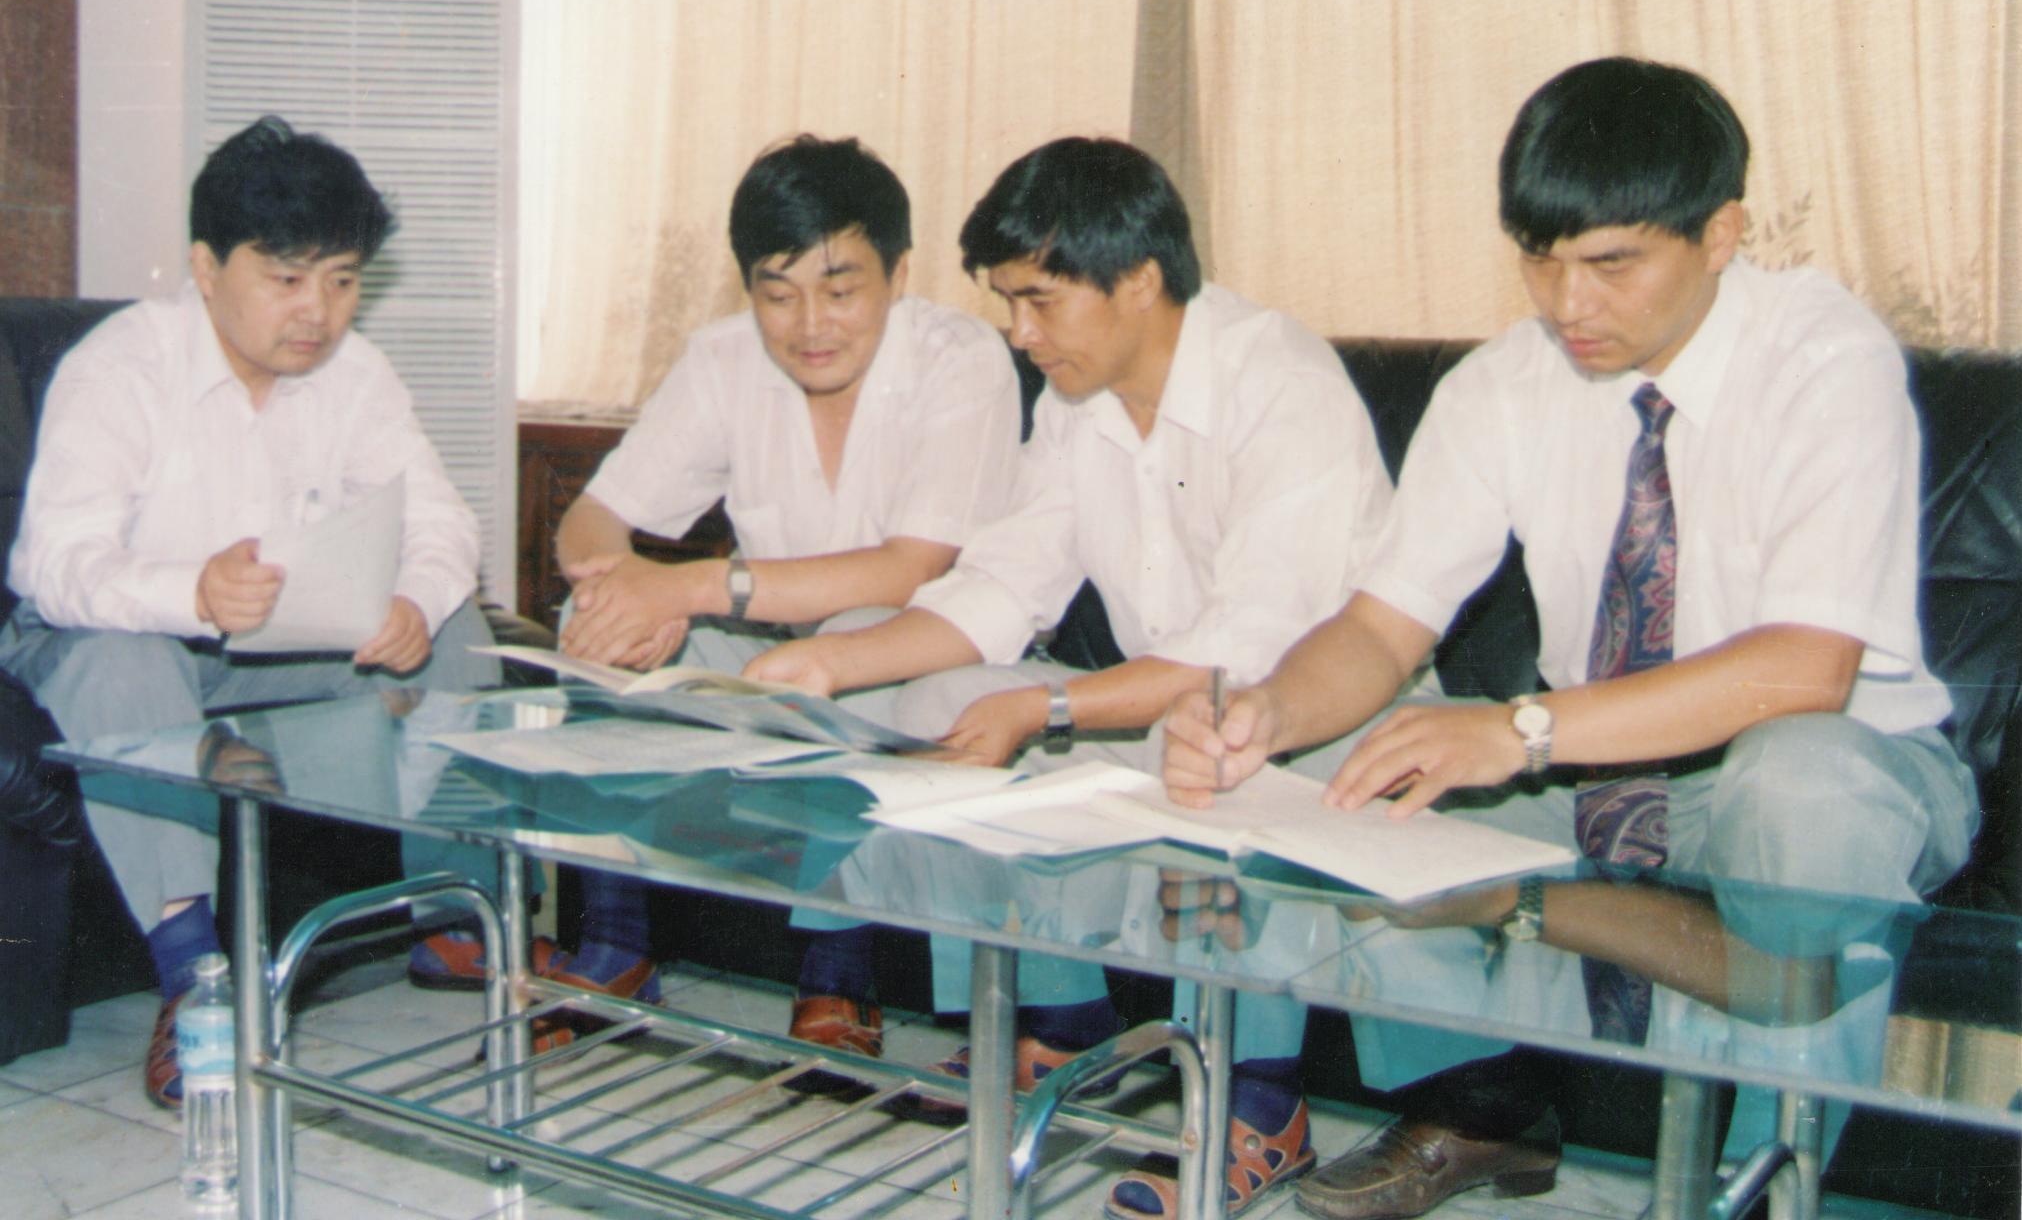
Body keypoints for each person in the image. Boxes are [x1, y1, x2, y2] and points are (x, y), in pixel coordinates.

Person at [1162, 57, 1979, 1220]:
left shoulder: (1824, 359)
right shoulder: (1504, 384)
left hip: (1843, 762)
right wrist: (1265, 712)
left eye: (1611, 263)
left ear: (1722, 233)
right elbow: (1384, 620)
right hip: (1594, 774)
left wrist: (1521, 728)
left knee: (1796, 785)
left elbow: (1809, 666)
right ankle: (1482, 1107)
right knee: (1339, 767)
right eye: (1539, 259)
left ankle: (1763, 1178)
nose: (1565, 303)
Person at [748, 136, 1394, 1218]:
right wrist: (828, 659)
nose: (1020, 332)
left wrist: (1046, 703)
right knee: (931, 702)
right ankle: (1063, 1029)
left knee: (1204, 738)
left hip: (1306, 717)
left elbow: (1249, 647)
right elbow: (1006, 582)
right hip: (1161, 700)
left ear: (1138, 279)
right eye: (1008, 302)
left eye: (1039, 301)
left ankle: (1259, 1107)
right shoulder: (1074, 400)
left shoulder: (1279, 380)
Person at [0, 116, 499, 1109]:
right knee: (127, 655)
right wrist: (186, 590)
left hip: (282, 644)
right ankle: (196, 977)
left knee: (458, 629)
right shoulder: (120, 367)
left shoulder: (358, 374)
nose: (319, 311)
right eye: (287, 278)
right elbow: (52, 562)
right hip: (118, 639)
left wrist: (414, 596)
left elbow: (441, 516)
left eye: (344, 280)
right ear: (206, 266)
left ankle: (456, 917)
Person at [508, 134, 1023, 1059]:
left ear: (899, 274)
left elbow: (912, 567)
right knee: (593, 624)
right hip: (770, 650)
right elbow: (591, 520)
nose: (809, 324)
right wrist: (620, 592)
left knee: (855, 631)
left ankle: (836, 974)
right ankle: (616, 943)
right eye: (777, 294)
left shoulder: (960, 358)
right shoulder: (722, 358)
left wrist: (697, 585)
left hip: (917, 652)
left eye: (840, 289)